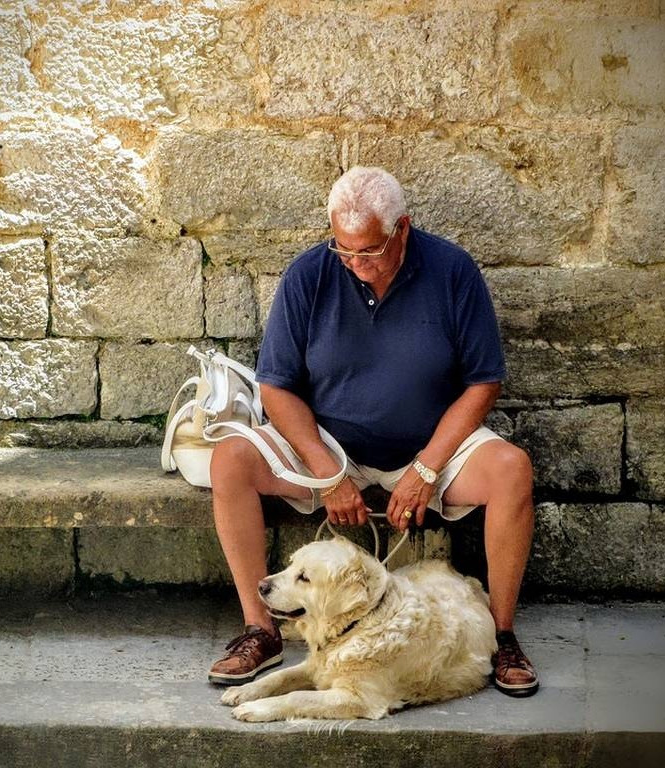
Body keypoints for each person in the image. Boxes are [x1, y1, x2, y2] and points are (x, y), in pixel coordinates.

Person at [207, 166, 538, 698]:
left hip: (432, 446)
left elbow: (483, 382)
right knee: (230, 460)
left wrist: (427, 467)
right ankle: (260, 630)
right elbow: (276, 388)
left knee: (511, 470)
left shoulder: (452, 270)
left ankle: (502, 636)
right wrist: (327, 471)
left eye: (370, 251)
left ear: (401, 228)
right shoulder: (310, 274)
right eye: (345, 250)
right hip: (330, 447)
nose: (356, 264)